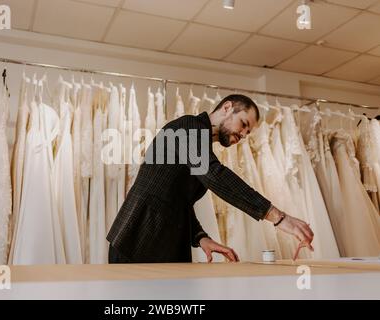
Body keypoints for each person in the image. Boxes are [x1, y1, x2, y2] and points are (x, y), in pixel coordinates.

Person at [107, 94, 314, 263]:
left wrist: (200, 238)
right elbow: (215, 175)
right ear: (226, 107)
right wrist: (277, 216)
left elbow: (178, 201)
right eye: (243, 124)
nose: (242, 135)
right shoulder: (188, 126)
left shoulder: (200, 142)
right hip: (137, 242)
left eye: (247, 132)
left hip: (160, 245)